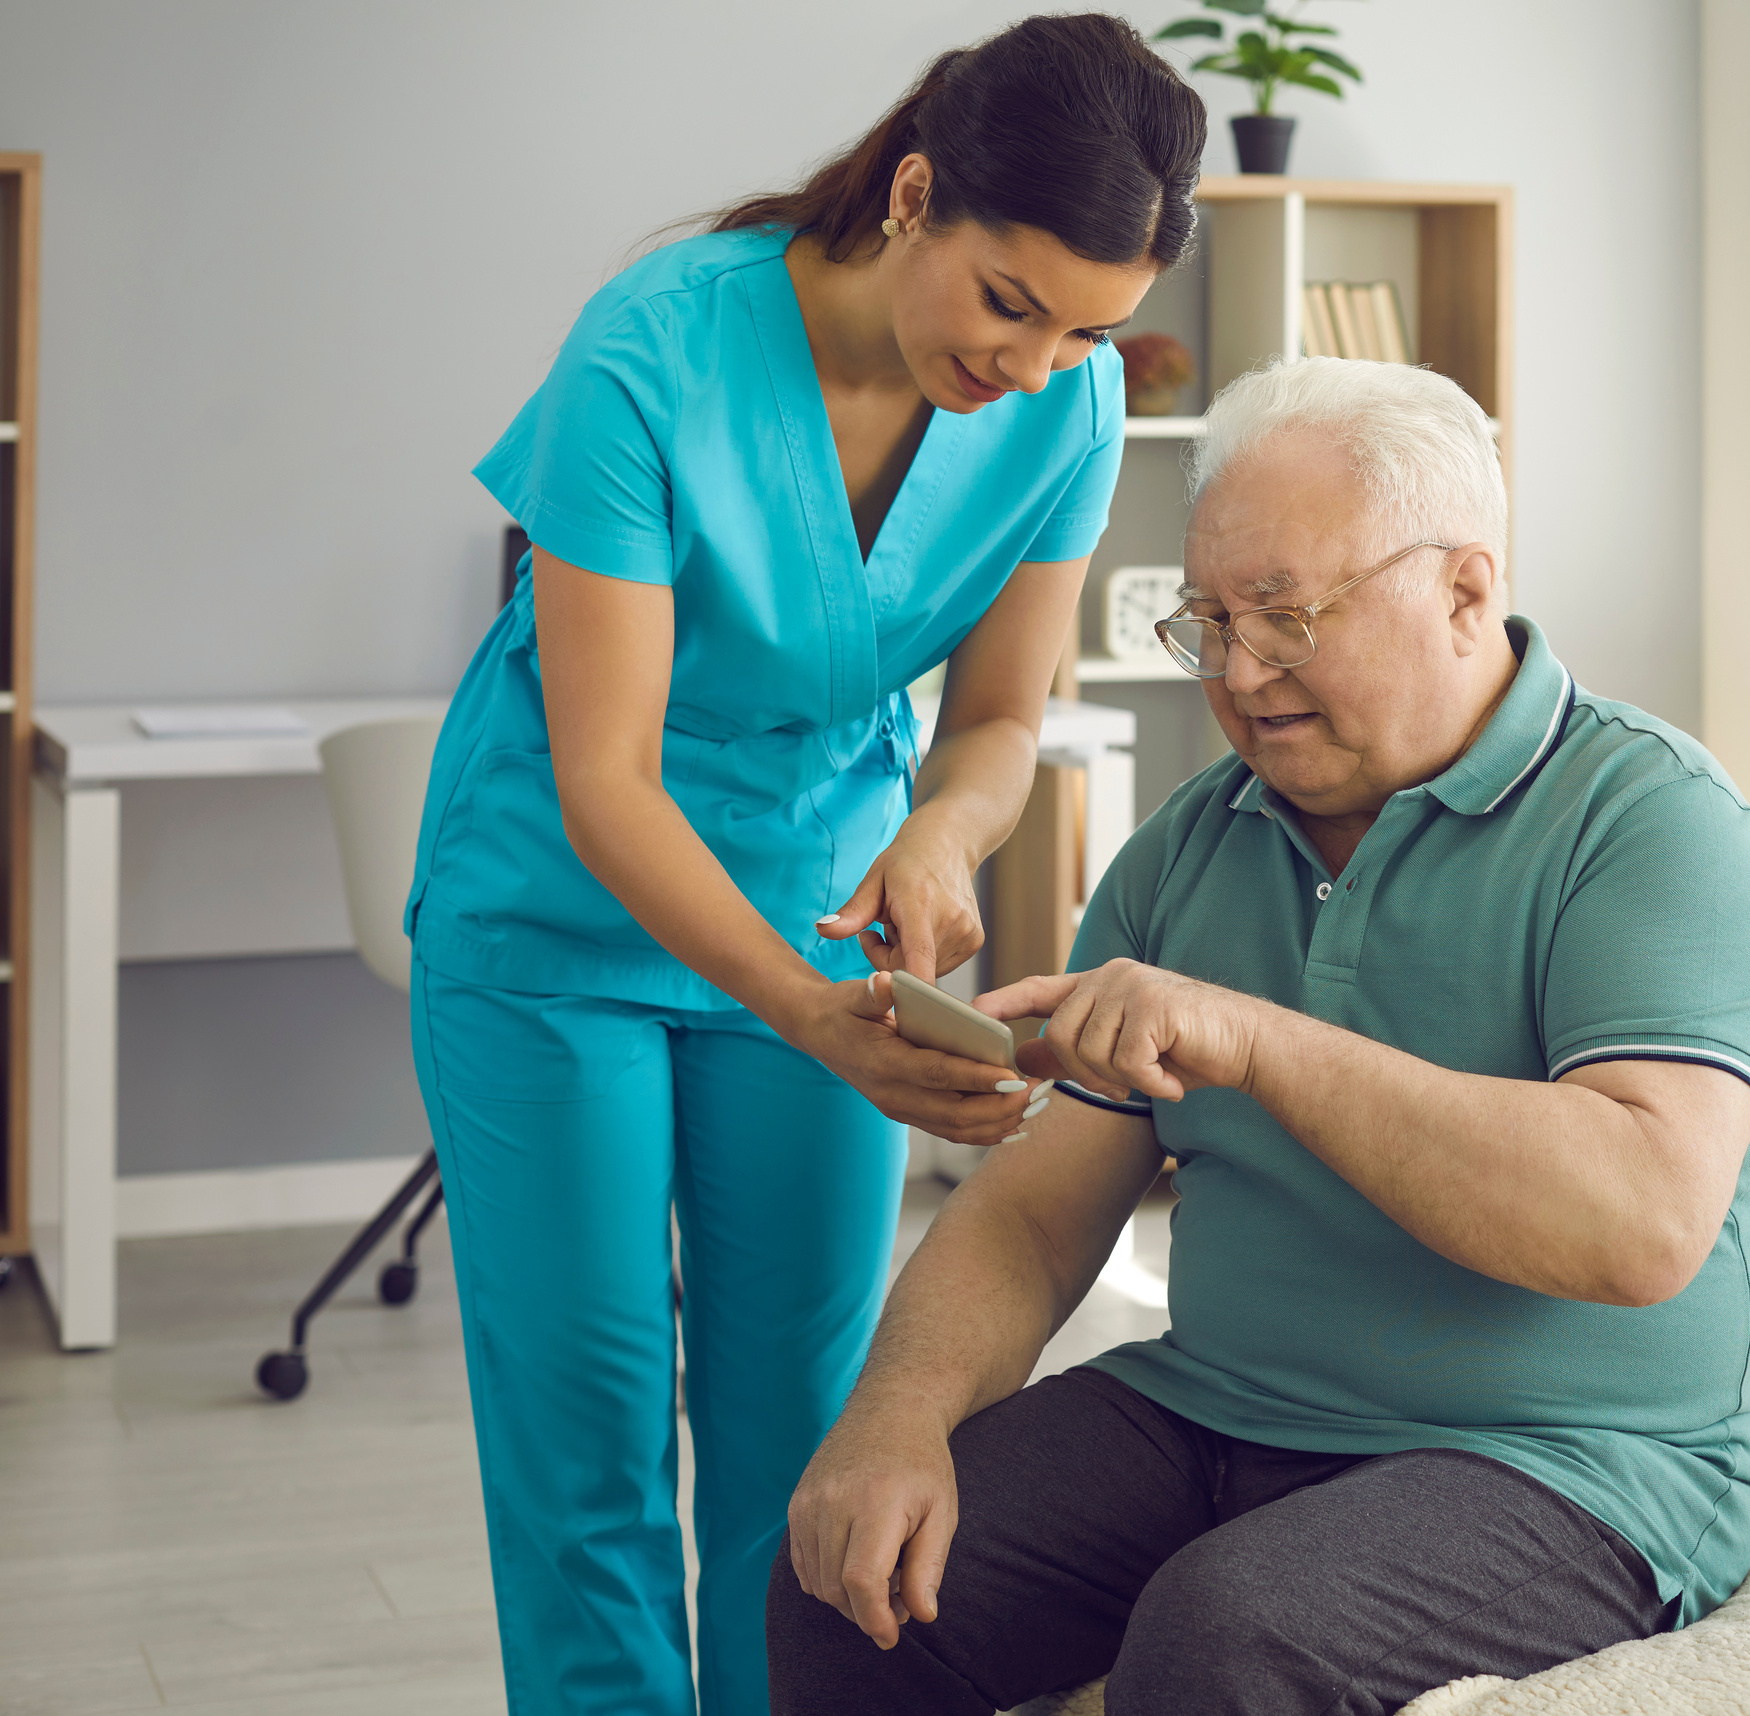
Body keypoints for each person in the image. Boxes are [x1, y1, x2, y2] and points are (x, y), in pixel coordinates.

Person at [764, 357, 1750, 1715]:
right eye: (1210, 622)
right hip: (1218, 1407)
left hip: (1572, 1462)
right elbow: (1032, 1216)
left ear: (1464, 590)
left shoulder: (1651, 826)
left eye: (1287, 618)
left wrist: (1253, 1041)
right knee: (853, 1581)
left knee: (1231, 1635)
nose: (1241, 674)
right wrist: (894, 1419)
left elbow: (1638, 1223)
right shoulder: (1191, 846)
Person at [400, 19, 1204, 1714]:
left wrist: (941, 829)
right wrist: (807, 1012)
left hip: (823, 906)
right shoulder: (654, 346)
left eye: (1088, 329)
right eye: (1009, 301)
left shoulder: (1062, 405)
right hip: (559, 913)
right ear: (916, 193)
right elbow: (605, 780)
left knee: (804, 1428)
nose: (1039, 362)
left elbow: (996, 721)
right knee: (586, 1437)